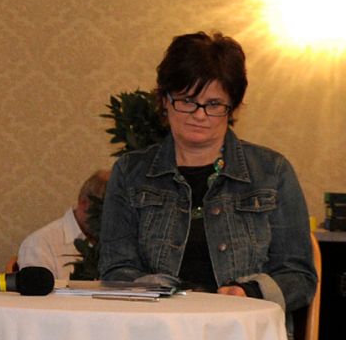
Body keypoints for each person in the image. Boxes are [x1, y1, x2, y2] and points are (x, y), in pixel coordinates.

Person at [98, 31, 315, 309]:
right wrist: (167, 296)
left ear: (232, 108)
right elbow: (116, 269)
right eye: (187, 100)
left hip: (244, 334)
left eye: (213, 104)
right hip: (158, 331)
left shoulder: (273, 172)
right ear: (165, 100)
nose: (199, 115)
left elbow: (299, 276)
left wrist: (249, 293)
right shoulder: (130, 173)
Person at [17, 169, 109, 280]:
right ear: (84, 203)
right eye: (108, 212)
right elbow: (37, 295)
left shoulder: (126, 242)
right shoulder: (40, 244)